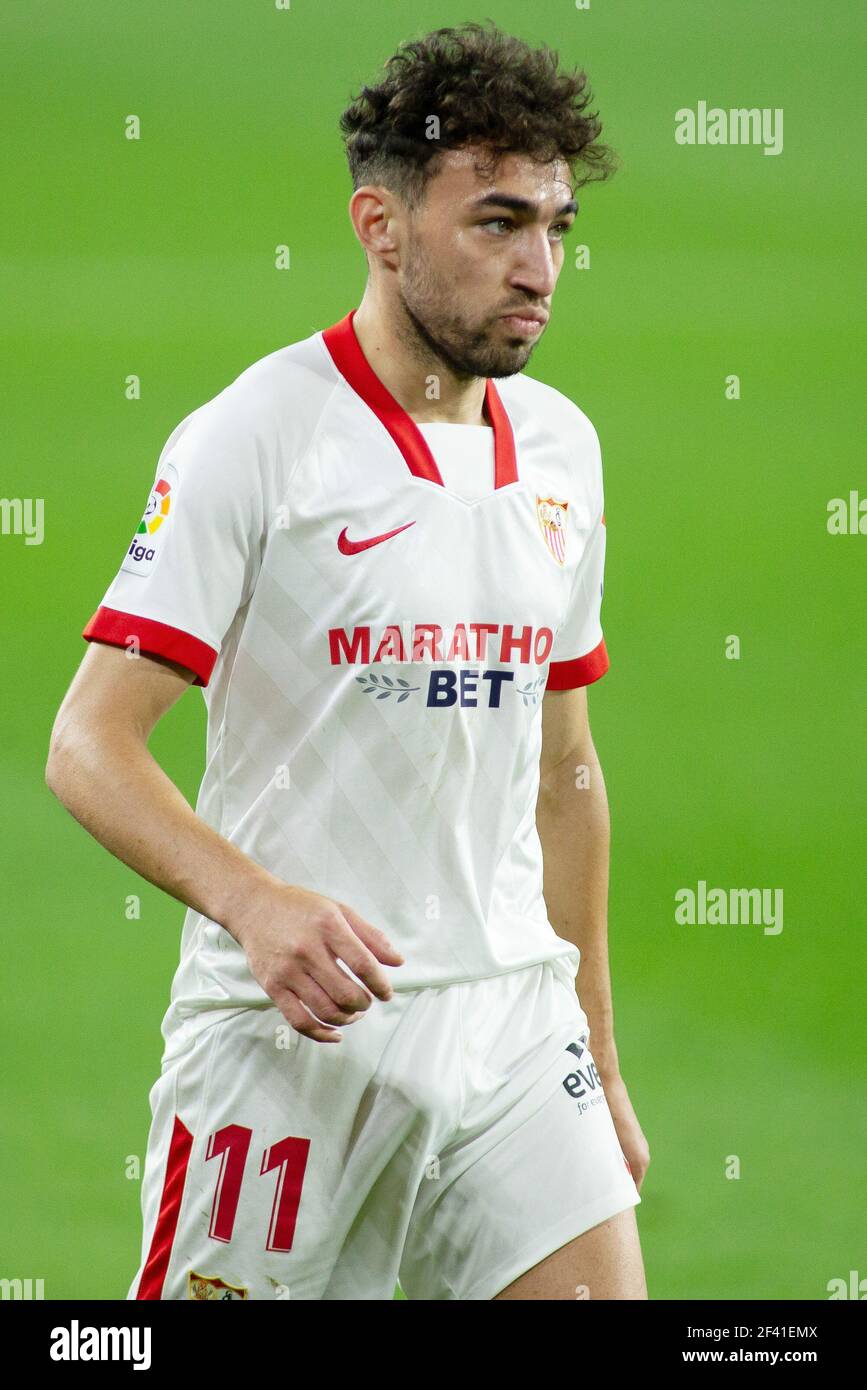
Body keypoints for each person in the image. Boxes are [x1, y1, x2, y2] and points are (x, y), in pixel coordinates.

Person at [46, 21, 649, 1300]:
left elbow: (566, 775)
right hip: (291, 1050)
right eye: (496, 222)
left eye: (558, 227)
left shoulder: (563, 452)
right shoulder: (253, 441)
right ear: (380, 225)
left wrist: (594, 1047)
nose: (539, 266)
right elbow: (88, 744)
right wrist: (257, 906)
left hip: (512, 1025)